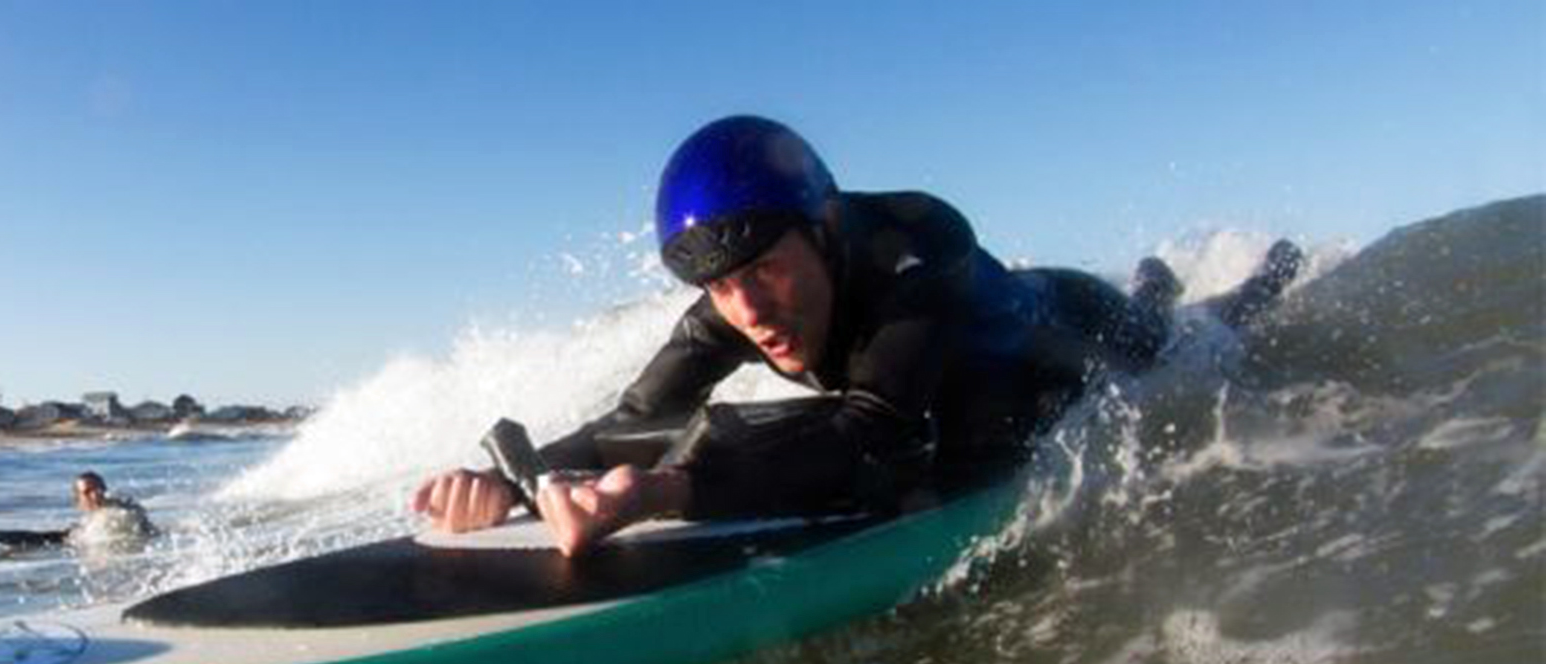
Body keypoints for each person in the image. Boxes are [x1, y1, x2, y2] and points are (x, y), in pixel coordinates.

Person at [412, 115, 1300, 556]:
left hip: (1072, 331)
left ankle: (1255, 278)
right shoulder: (737, 305)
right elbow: (633, 417)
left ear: (825, 233)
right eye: (721, 284)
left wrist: (663, 494)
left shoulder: (919, 254)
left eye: (764, 268)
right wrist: (507, 483)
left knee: (1193, 333)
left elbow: (875, 429)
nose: (748, 307)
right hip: (975, 384)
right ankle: (1156, 275)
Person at [0, 470, 159, 549]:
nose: (96, 495)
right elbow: (38, 538)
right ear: (78, 500)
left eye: (99, 489)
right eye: (88, 492)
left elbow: (149, 533)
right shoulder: (85, 528)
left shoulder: (124, 512)